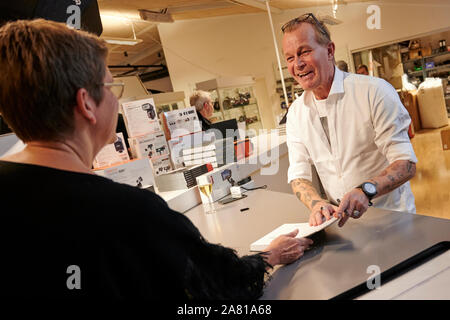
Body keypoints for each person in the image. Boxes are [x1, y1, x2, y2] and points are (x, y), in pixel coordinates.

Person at [0, 19, 313, 298]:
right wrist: (269, 256)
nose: (116, 99)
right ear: (86, 104)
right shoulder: (129, 213)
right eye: (111, 86)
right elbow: (218, 285)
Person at [281, 13, 417, 228]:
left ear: (329, 51)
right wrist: (316, 204)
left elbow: (406, 164)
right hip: (344, 226)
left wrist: (365, 190)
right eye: (289, 58)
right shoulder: (297, 113)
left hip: (392, 220)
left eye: (304, 52)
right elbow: (298, 175)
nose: (297, 64)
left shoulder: (374, 92)